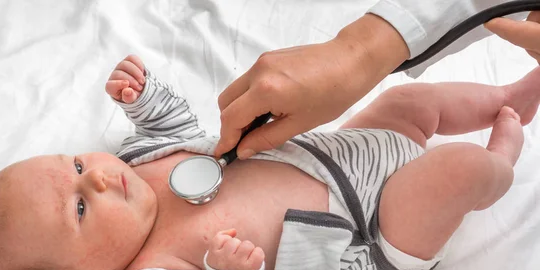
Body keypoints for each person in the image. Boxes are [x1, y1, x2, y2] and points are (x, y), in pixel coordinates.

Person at [0, 54, 536, 270]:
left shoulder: (138, 163)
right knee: (454, 171)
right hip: (376, 228)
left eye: (74, 166)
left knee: (408, 101)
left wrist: (144, 98)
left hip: (346, 147)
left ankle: (508, 97)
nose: (96, 176)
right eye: (81, 208)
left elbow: (176, 127)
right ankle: (501, 161)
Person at [214, 0, 540, 162]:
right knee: (457, 164)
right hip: (364, 216)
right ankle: (501, 145)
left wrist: (359, 51)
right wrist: (360, 51)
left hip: (343, 168)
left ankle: (505, 116)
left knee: (410, 107)